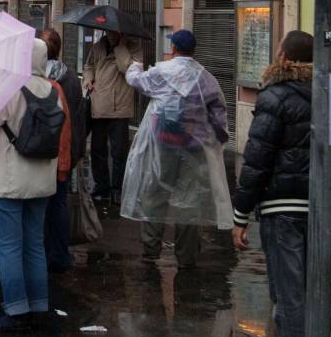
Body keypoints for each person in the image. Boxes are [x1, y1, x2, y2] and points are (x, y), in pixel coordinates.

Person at [232, 31, 331, 337]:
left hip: (282, 209)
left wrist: (240, 215)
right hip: (320, 211)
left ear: (284, 58)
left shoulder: (276, 95)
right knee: (312, 295)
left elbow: (257, 159)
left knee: (290, 298)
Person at [119, 29, 231, 269]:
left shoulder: (162, 72)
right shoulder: (206, 78)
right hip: (194, 149)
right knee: (189, 202)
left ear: (174, 48)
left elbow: (136, 81)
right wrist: (217, 140)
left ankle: (151, 250)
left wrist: (134, 66)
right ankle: (186, 256)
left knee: (155, 195)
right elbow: (219, 113)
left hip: (164, 145)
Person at [0, 39, 59, 331]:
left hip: (8, 179)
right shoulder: (52, 90)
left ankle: (15, 310)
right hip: (41, 180)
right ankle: (39, 304)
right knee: (35, 244)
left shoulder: (8, 89)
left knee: (9, 246)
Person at [83, 29, 144, 205]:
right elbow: (88, 66)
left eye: (113, 32)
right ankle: (101, 187)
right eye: (107, 32)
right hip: (98, 105)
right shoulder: (97, 47)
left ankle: (118, 190)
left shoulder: (133, 48)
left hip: (120, 108)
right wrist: (88, 78)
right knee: (97, 150)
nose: (109, 35)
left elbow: (127, 69)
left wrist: (120, 47)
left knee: (119, 153)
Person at [40, 29, 82, 272]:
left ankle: (43, 255)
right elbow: (77, 116)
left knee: (41, 206)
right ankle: (61, 254)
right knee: (59, 203)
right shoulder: (71, 78)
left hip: (42, 150)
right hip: (66, 150)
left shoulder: (36, 79)